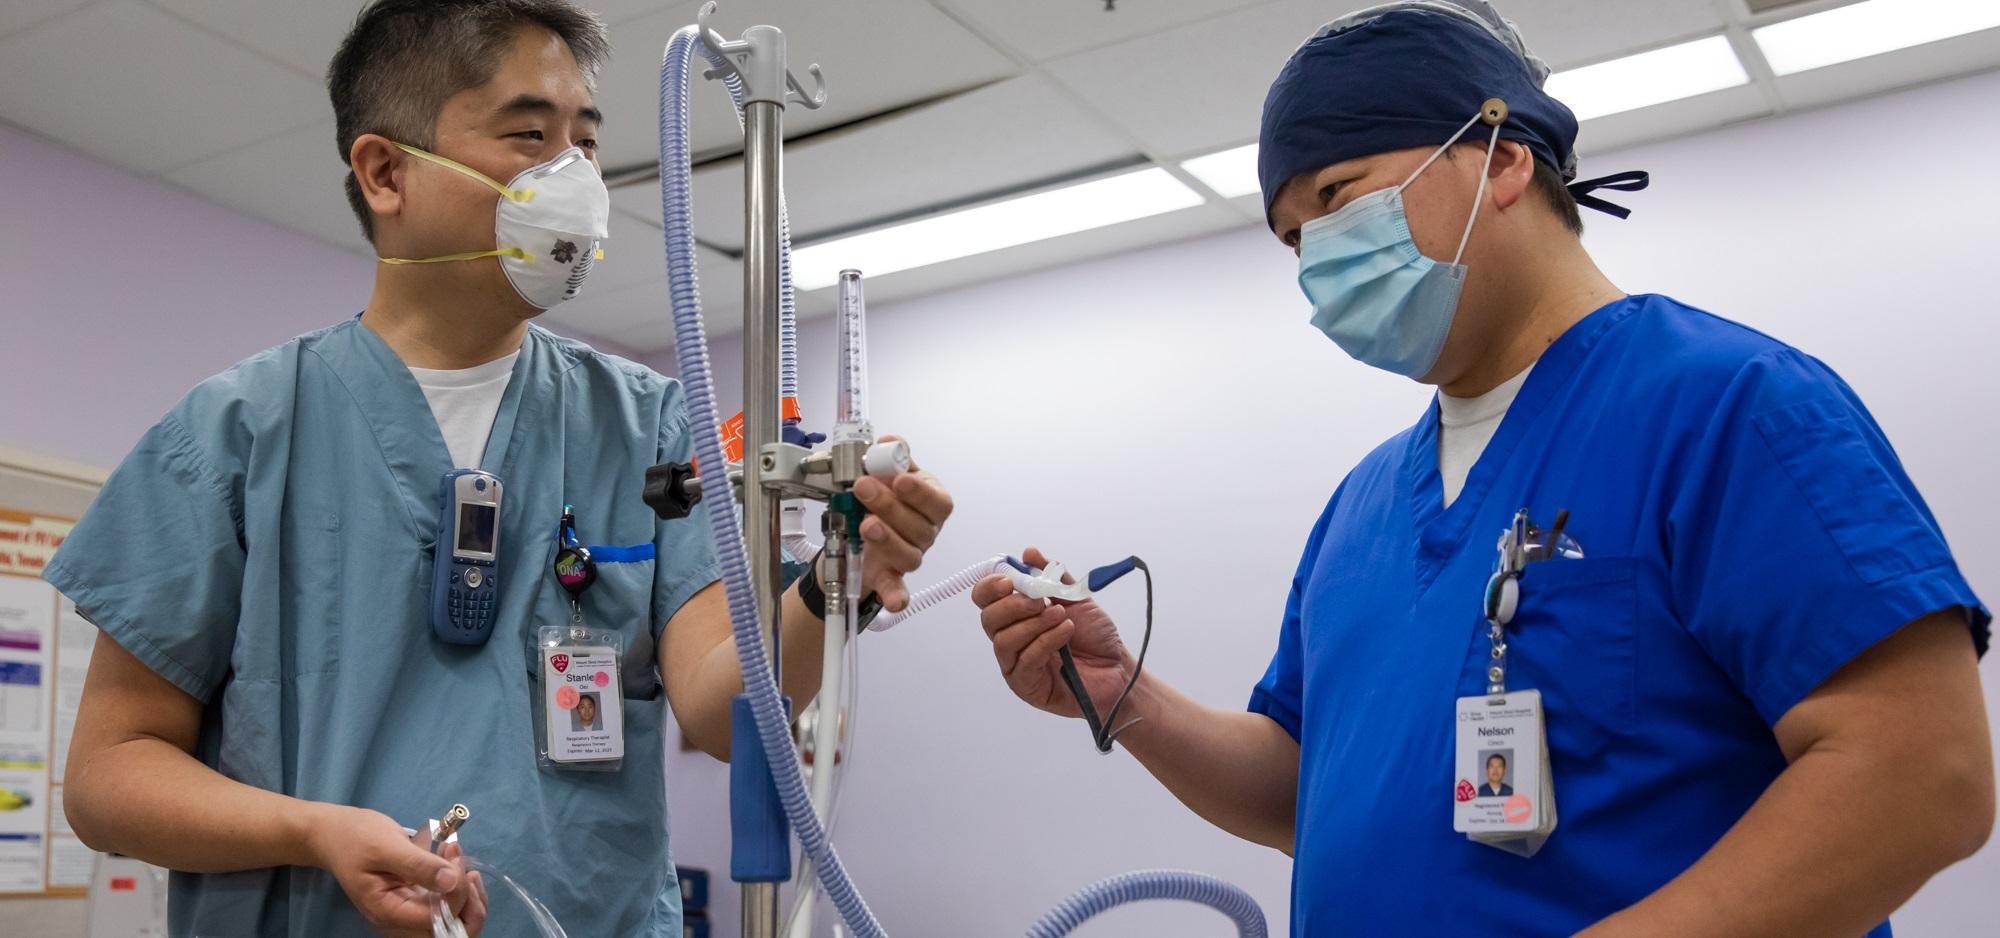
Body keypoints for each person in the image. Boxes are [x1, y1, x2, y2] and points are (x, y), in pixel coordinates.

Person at [972, 2, 1991, 935]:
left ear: (1501, 161)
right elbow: (1302, 792)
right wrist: (1125, 694)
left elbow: (1920, 775)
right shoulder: (1363, 506)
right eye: (1291, 239)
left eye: (1337, 196)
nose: (1316, 260)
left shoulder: (1724, 405)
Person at [45, 3, 953, 937]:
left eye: (586, 143)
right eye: (530, 135)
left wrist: (840, 577)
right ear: (386, 171)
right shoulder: (236, 437)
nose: (575, 176)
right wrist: (313, 830)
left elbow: (725, 714)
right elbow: (108, 777)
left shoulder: (646, 424)